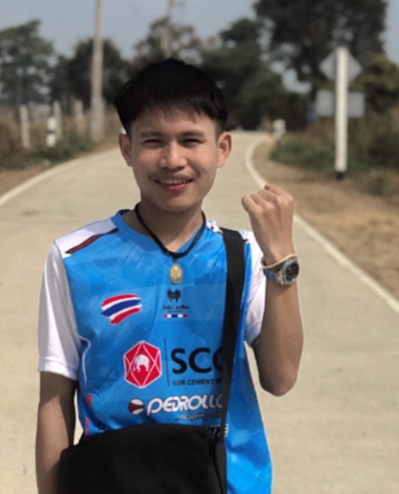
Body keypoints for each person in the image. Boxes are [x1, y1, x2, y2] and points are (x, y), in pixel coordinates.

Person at [36, 59, 303, 494]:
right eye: (153, 141)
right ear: (126, 148)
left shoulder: (245, 255)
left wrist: (281, 261)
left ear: (222, 148)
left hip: (228, 482)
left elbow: (281, 377)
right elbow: (54, 400)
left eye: (191, 140)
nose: (172, 159)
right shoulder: (74, 257)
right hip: (113, 481)